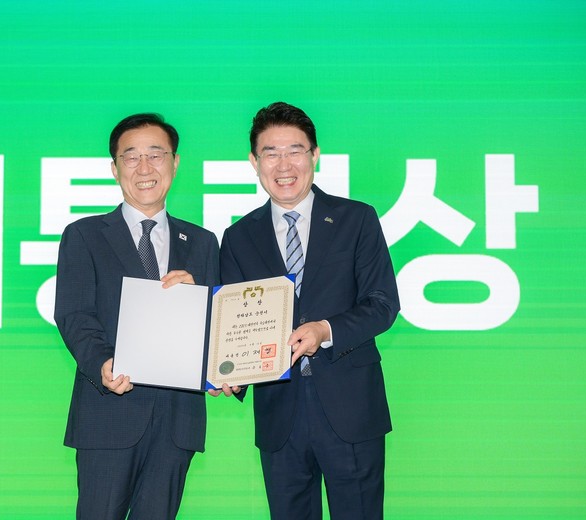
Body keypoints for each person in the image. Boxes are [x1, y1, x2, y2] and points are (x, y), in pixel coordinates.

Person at [216, 102, 399, 519]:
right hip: (280, 416)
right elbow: (233, 324)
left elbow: (383, 304)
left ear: (315, 155)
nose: (284, 165)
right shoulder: (238, 237)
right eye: (270, 153)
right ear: (254, 161)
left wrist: (324, 330)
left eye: (295, 150)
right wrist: (228, 374)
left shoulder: (356, 219)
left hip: (352, 409)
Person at [54, 113, 219, 519]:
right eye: (131, 157)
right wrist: (102, 364)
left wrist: (223, 370)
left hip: (177, 421)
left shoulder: (202, 242)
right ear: (115, 168)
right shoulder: (85, 235)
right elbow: (74, 315)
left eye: (156, 155)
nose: (145, 168)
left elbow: (218, 322)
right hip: (108, 414)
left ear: (175, 163)